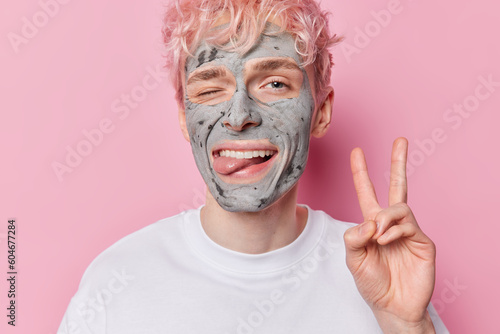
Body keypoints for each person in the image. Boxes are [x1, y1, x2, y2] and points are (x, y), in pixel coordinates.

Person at [58, 0, 448, 333]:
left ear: (321, 112)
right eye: (210, 89)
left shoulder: (382, 273)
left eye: (275, 84)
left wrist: (408, 327)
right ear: (183, 118)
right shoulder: (116, 283)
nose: (239, 116)